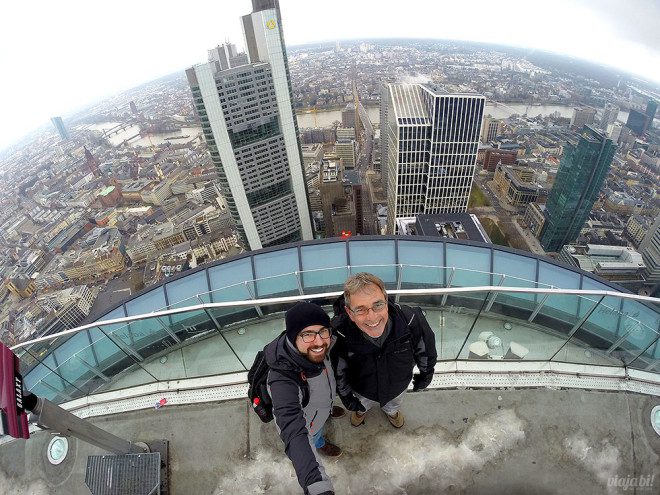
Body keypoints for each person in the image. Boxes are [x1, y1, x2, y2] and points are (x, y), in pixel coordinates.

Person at [331, 272, 437, 428]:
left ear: (386, 302)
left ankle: (392, 412)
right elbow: (339, 370)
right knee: (362, 403)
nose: (372, 317)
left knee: (394, 403)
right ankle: (361, 411)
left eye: (378, 304)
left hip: (398, 385)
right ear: (349, 313)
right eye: (360, 309)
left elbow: (426, 351)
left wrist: (426, 375)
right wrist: (347, 396)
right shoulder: (340, 332)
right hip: (362, 388)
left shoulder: (411, 320)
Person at [266, 301, 343, 495]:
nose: (318, 342)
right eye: (307, 334)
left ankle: (329, 409)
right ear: (293, 337)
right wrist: (317, 487)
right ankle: (320, 443)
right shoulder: (282, 379)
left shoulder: (324, 345)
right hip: (309, 421)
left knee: (324, 409)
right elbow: (294, 431)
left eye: (322, 331)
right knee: (313, 434)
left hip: (322, 402)